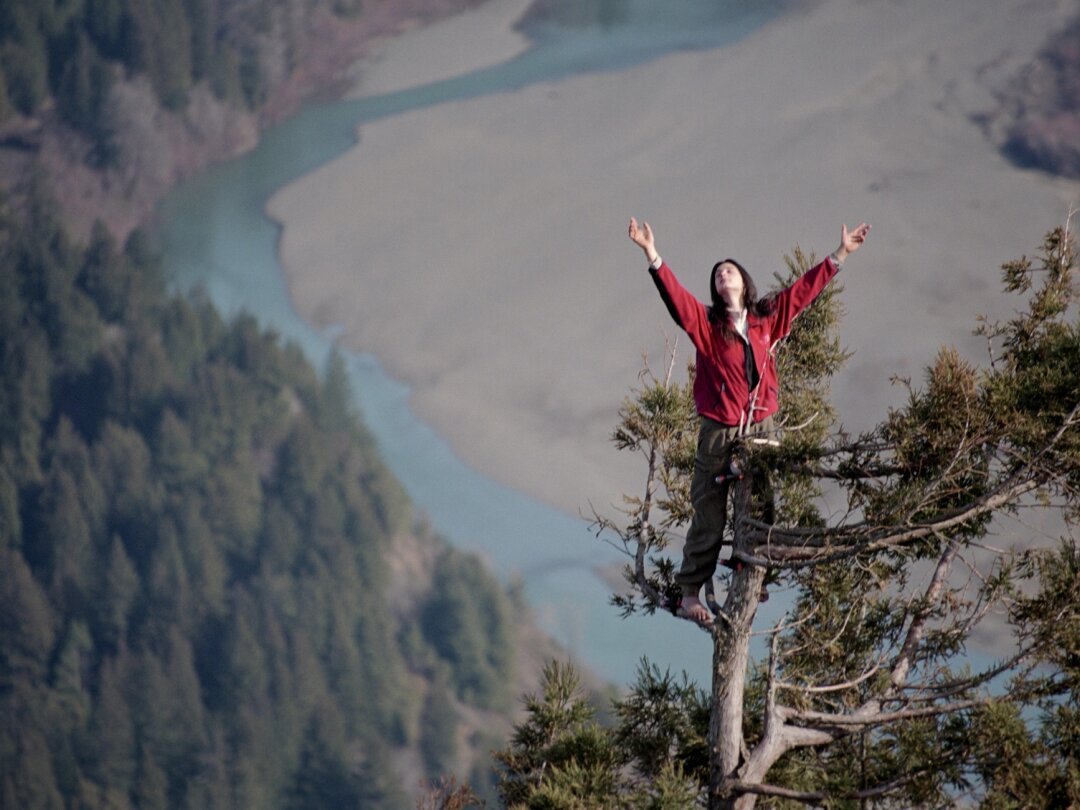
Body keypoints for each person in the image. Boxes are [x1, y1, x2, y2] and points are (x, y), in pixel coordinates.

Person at [627, 217, 870, 624]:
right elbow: (677, 301)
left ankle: (753, 583)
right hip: (718, 429)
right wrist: (652, 253)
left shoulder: (766, 317)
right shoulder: (707, 325)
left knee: (761, 506)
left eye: (730, 270)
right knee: (708, 510)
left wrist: (840, 254)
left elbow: (801, 293)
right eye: (718, 274)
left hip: (761, 427)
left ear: (743, 281)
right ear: (716, 289)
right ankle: (690, 595)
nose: (723, 275)